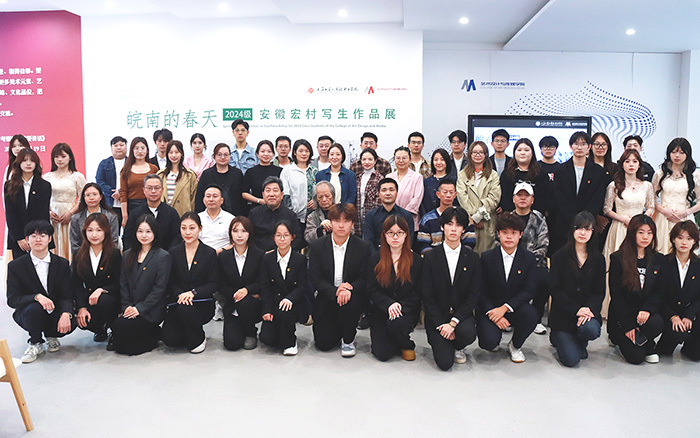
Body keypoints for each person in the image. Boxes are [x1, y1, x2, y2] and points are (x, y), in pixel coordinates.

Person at [6, 220, 77, 363]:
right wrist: (36, 297)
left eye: (43, 235)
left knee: (71, 320)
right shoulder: (16, 266)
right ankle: (35, 342)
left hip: (54, 310)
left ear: (50, 239)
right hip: (29, 312)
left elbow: (67, 294)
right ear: (27, 239)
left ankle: (51, 335)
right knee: (34, 309)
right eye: (33, 236)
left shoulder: (62, 264)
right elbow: (13, 299)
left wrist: (66, 313)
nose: (38, 239)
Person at [421, 207, 481, 370]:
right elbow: (426, 295)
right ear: (442, 227)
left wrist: (453, 323)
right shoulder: (430, 257)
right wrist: (441, 324)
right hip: (437, 317)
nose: (453, 229)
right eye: (449, 224)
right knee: (445, 363)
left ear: (463, 229)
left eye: (458, 225)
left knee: (468, 333)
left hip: (460, 316)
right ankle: (445, 342)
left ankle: (458, 345)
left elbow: (474, 294)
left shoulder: (473, 258)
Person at [309, 204, 371, 356]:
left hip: (351, 296)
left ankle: (348, 340)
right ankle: (337, 329)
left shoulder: (363, 247)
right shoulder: (317, 246)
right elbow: (315, 278)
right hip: (327, 294)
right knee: (323, 344)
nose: (341, 225)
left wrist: (349, 288)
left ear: (352, 223)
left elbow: (364, 278)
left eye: (346, 221)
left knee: (350, 303)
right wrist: (336, 291)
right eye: (337, 221)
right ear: (331, 222)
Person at [478, 212, 538, 363]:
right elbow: (480, 290)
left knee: (532, 315)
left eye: (513, 233)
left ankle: (515, 345)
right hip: (492, 308)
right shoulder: (487, 257)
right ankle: (494, 337)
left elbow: (529, 290)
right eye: (505, 232)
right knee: (488, 343)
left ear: (520, 235)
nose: (509, 237)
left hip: (515, 307)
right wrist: (494, 313)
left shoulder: (529, 258)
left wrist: (505, 308)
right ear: (498, 234)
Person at [548, 211, 605, 367]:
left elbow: (599, 291)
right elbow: (555, 289)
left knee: (591, 330)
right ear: (572, 230)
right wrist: (576, 310)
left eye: (587, 229)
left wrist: (587, 309)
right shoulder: (559, 256)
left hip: (587, 314)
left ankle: (579, 340)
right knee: (571, 360)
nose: (582, 233)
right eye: (578, 228)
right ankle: (558, 337)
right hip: (563, 315)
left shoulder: (598, 259)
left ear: (593, 231)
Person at [608, 214, 665, 364]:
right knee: (636, 358)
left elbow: (659, 291)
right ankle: (630, 338)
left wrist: (647, 309)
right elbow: (616, 295)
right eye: (641, 232)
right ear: (632, 233)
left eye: (649, 233)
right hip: (624, 314)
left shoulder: (659, 259)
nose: (645, 237)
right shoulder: (618, 258)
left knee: (658, 323)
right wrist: (628, 326)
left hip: (644, 315)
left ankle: (643, 339)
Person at [112, 215, 172, 355]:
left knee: (131, 348)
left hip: (151, 310)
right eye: (140, 231)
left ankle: (154, 334)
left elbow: (159, 289)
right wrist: (127, 307)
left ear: (155, 233)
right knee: (118, 330)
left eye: (148, 231)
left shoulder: (163, 256)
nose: (144, 235)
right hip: (131, 308)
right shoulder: (127, 254)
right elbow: (123, 284)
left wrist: (139, 308)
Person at [367, 215, 422, 362]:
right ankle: (395, 339)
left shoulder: (416, 260)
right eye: (391, 233)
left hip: (406, 310)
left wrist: (400, 306)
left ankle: (406, 344)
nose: (395, 237)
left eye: (400, 233)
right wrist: (389, 304)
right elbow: (372, 289)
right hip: (381, 309)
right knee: (382, 354)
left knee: (398, 323)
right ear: (384, 235)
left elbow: (418, 291)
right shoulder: (375, 259)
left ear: (406, 235)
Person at [161, 212, 217, 354]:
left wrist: (192, 293)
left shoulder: (209, 253)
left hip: (201, 302)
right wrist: (180, 294)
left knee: (186, 310)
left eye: (192, 228)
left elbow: (213, 284)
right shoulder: (173, 252)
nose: (187, 232)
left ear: (200, 228)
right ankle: (187, 331)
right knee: (170, 340)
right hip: (178, 302)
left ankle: (198, 339)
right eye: (183, 228)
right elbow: (171, 282)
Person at [549, 132, 607, 255]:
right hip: (564, 225)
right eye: (576, 144)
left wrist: (584, 221)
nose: (579, 147)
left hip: (588, 226)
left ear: (589, 147)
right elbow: (560, 198)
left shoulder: (598, 172)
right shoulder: (560, 170)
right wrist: (574, 221)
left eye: (583, 144)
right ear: (571, 146)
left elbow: (597, 199)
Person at [71, 213, 121, 349]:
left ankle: (114, 330)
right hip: (90, 300)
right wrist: (81, 308)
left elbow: (119, 283)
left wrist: (102, 290)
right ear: (84, 232)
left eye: (99, 230)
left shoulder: (114, 254)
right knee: (83, 320)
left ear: (106, 231)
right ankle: (100, 329)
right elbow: (76, 285)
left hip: (110, 299)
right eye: (90, 230)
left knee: (104, 300)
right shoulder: (78, 254)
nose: (94, 234)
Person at [259, 221, 308, 355]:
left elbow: (302, 286)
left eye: (286, 235)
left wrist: (290, 298)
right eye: (278, 235)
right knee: (267, 339)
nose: (282, 239)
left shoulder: (300, 259)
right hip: (274, 303)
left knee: (285, 311)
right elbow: (265, 287)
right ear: (273, 238)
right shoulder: (267, 258)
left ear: (292, 237)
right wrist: (267, 309)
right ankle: (281, 334)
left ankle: (290, 343)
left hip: (294, 303)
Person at [218, 216, 264, 351]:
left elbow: (262, 281)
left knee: (245, 302)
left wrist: (247, 290)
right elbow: (220, 284)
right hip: (232, 303)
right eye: (235, 231)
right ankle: (238, 327)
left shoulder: (259, 255)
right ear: (230, 233)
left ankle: (251, 332)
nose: (239, 235)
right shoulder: (224, 256)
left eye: (244, 231)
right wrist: (236, 294)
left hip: (251, 304)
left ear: (249, 233)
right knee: (231, 344)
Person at [602, 149, 655, 265]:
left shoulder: (647, 185)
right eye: (627, 161)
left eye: (635, 161)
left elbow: (651, 207)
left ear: (639, 164)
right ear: (622, 165)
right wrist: (624, 219)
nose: (631, 164)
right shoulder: (614, 185)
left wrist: (641, 220)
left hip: (640, 228)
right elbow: (607, 209)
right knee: (618, 262)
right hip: (620, 227)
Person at [657, 221, 700, 360]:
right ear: (673, 239)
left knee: (695, 356)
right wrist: (672, 316)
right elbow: (658, 294)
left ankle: (690, 346)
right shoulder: (663, 262)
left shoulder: (698, 265)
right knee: (665, 351)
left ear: (694, 241)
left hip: (690, 312)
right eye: (680, 237)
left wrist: (689, 315)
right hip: (668, 312)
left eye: (689, 238)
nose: (684, 242)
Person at [510, 182, 549, 335]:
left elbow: (543, 245)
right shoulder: (507, 218)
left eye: (526, 195)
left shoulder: (539, 219)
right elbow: (499, 242)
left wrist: (527, 263)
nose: (523, 198)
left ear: (532, 200)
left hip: (535, 264)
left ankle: (536, 319)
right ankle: (509, 316)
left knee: (545, 280)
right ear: (514, 198)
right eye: (519, 195)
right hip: (510, 263)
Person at [652, 137, 700, 255]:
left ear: (687, 154)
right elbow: (650, 199)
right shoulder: (660, 174)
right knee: (661, 251)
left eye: (681, 152)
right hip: (664, 217)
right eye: (673, 152)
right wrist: (664, 211)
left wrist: (686, 212)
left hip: (684, 217)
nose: (677, 155)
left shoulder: (694, 175)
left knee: (684, 252)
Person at [4, 148, 51, 257]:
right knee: (20, 265)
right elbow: (10, 214)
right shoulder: (9, 185)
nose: (28, 163)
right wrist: (19, 238)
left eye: (32, 160)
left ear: (36, 163)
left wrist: (35, 237)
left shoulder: (45, 186)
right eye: (24, 160)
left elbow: (43, 214)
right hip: (18, 238)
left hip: (38, 237)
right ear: (19, 163)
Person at [44, 143, 87, 261]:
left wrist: (70, 213)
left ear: (70, 158)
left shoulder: (77, 176)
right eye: (56, 157)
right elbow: (42, 199)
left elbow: (83, 198)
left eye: (63, 156)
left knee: (70, 242)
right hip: (52, 216)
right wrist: (48, 212)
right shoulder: (47, 177)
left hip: (70, 215)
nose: (60, 160)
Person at [456, 141, 501, 254]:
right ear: (470, 154)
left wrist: (479, 215)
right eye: (475, 152)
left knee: (487, 255)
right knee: (468, 255)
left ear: (486, 154)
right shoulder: (462, 175)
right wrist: (474, 218)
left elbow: (494, 197)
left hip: (487, 221)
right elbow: (462, 197)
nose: (478, 155)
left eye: (481, 152)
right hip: (468, 220)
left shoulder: (493, 175)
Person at [122, 174, 181, 251]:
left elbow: (177, 238)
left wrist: (167, 255)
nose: (153, 191)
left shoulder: (172, 213)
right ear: (144, 190)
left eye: (157, 188)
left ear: (162, 190)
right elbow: (127, 238)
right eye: (149, 188)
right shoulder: (135, 213)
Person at [248, 176, 303, 252]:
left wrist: (280, 252)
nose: (271, 194)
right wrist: (260, 253)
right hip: (259, 256)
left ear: (282, 195)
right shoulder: (254, 214)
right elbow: (249, 238)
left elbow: (298, 240)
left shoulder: (290, 215)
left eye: (275, 190)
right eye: (268, 190)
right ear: (263, 195)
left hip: (283, 255)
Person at [417, 179, 471, 253]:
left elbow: (470, 241)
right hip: (433, 257)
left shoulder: (462, 215)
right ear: (438, 194)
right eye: (445, 192)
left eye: (451, 192)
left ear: (455, 195)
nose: (448, 195)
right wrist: (435, 256)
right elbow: (422, 243)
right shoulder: (427, 218)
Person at [498, 138, 550, 214]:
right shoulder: (507, 173)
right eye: (519, 150)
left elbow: (544, 197)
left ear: (532, 153)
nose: (522, 153)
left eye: (526, 150)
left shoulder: (540, 173)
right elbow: (504, 197)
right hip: (511, 216)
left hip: (535, 216)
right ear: (514, 153)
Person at [363, 178, 414, 252]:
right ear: (379, 194)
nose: (388, 193)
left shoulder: (406, 216)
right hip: (377, 255)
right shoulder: (370, 216)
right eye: (384, 190)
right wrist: (376, 257)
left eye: (391, 190)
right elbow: (369, 241)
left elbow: (409, 240)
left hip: (400, 255)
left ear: (397, 193)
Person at [196, 143, 245, 216]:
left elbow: (241, 197)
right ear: (214, 156)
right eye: (219, 155)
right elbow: (199, 197)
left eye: (226, 155)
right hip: (211, 215)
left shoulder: (237, 173)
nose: (222, 157)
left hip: (234, 214)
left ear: (230, 156)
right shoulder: (207, 174)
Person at [119, 137, 159, 227]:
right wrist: (125, 215)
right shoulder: (126, 169)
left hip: (150, 205)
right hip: (132, 207)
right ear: (132, 151)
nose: (140, 151)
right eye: (136, 148)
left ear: (147, 150)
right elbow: (123, 193)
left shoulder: (154, 169)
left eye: (142, 148)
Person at [70, 183, 120, 253]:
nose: (91, 198)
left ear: (101, 197)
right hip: (82, 256)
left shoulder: (111, 217)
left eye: (94, 194)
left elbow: (114, 242)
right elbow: (75, 245)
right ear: (83, 198)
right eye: (88, 195)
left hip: (107, 256)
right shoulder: (76, 218)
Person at [280, 139, 318, 225]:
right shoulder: (287, 171)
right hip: (293, 217)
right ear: (294, 152)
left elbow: (320, 191)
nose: (304, 154)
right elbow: (285, 195)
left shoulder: (314, 171)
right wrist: (291, 214)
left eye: (307, 151)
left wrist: (316, 200)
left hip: (312, 218)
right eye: (300, 151)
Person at [157, 140, 198, 217]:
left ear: (181, 153)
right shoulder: (161, 175)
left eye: (176, 152)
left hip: (183, 216)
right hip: (164, 216)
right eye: (171, 152)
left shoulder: (189, 175)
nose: (174, 155)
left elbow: (193, 200)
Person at [387, 146, 424, 229]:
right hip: (390, 218)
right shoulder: (389, 177)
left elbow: (416, 199)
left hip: (409, 219)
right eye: (398, 158)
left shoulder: (417, 177)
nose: (401, 161)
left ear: (410, 159)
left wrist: (402, 214)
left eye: (404, 158)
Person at [241, 140, 282, 212]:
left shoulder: (280, 171)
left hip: (276, 209)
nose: (266, 154)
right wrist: (259, 200)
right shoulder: (251, 172)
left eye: (269, 151)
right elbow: (244, 193)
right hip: (256, 209)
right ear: (257, 154)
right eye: (262, 151)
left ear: (273, 154)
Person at [95, 135, 127, 226]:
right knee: (110, 230)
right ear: (111, 148)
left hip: (127, 203)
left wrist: (121, 192)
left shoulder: (131, 163)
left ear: (126, 147)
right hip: (109, 204)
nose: (119, 148)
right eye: (115, 145)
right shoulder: (104, 163)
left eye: (121, 145)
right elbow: (99, 181)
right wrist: (113, 193)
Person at [353, 148, 383, 237]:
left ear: (375, 161)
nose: (367, 162)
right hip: (357, 214)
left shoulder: (379, 178)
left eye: (370, 159)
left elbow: (380, 200)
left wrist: (371, 213)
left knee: (369, 237)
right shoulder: (357, 178)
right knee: (359, 238)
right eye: (364, 159)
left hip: (372, 214)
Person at [198, 185, 235, 254]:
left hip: (224, 255)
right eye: (208, 196)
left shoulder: (230, 219)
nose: (211, 199)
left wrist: (221, 251)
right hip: (202, 256)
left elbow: (236, 242)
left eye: (215, 196)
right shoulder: (197, 218)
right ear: (204, 200)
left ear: (221, 200)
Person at [420, 148, 454, 216]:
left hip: (449, 217)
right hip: (429, 218)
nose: (439, 162)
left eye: (442, 160)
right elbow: (423, 204)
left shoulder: (453, 180)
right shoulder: (426, 182)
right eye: (436, 160)